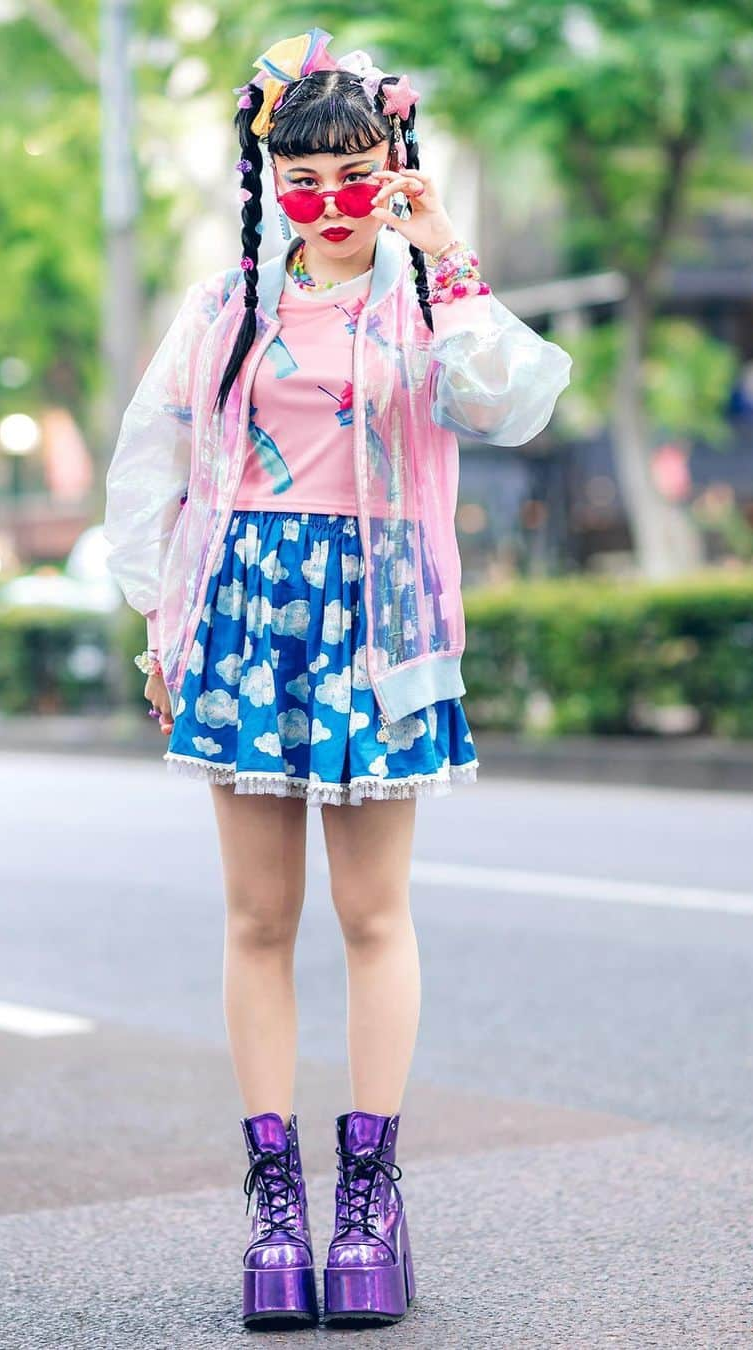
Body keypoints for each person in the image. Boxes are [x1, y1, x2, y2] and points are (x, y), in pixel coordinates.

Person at [102, 27, 572, 1330]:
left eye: (357, 174)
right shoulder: (227, 306)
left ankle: (369, 1189)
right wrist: (161, 617)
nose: (332, 203)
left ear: (392, 166)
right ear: (271, 180)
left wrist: (445, 246)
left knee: (374, 914)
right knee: (260, 918)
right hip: (248, 611)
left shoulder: (425, 299)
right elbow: (158, 454)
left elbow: (507, 405)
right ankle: (275, 1198)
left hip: (384, 618)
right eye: (304, 181)